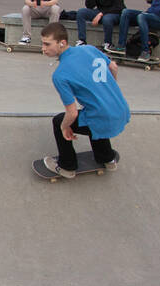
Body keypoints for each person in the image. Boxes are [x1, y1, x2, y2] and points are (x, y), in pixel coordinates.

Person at [40, 22, 130, 176]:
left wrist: (64, 127)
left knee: (60, 121)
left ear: (62, 43)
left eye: (47, 44)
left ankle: (67, 167)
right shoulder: (89, 49)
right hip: (121, 109)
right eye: (42, 44)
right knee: (91, 116)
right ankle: (108, 159)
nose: (43, 48)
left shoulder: (60, 74)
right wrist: (106, 90)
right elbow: (113, 67)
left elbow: (72, 113)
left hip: (103, 116)